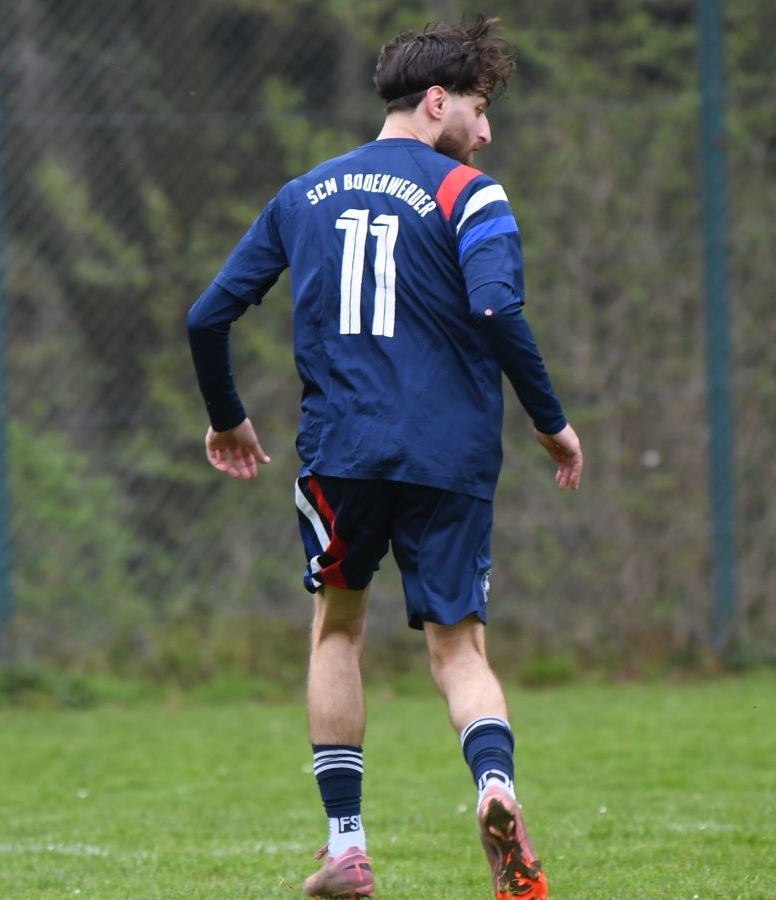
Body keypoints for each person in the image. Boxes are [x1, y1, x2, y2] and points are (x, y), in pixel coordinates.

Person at [185, 16, 580, 899]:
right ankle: (495, 788)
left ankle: (347, 847)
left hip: (342, 455)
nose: (485, 133)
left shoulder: (302, 195)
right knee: (459, 649)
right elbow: (497, 313)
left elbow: (207, 318)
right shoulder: (472, 197)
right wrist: (551, 423)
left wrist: (228, 419)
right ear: (437, 101)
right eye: (479, 111)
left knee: (337, 630)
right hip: (450, 456)